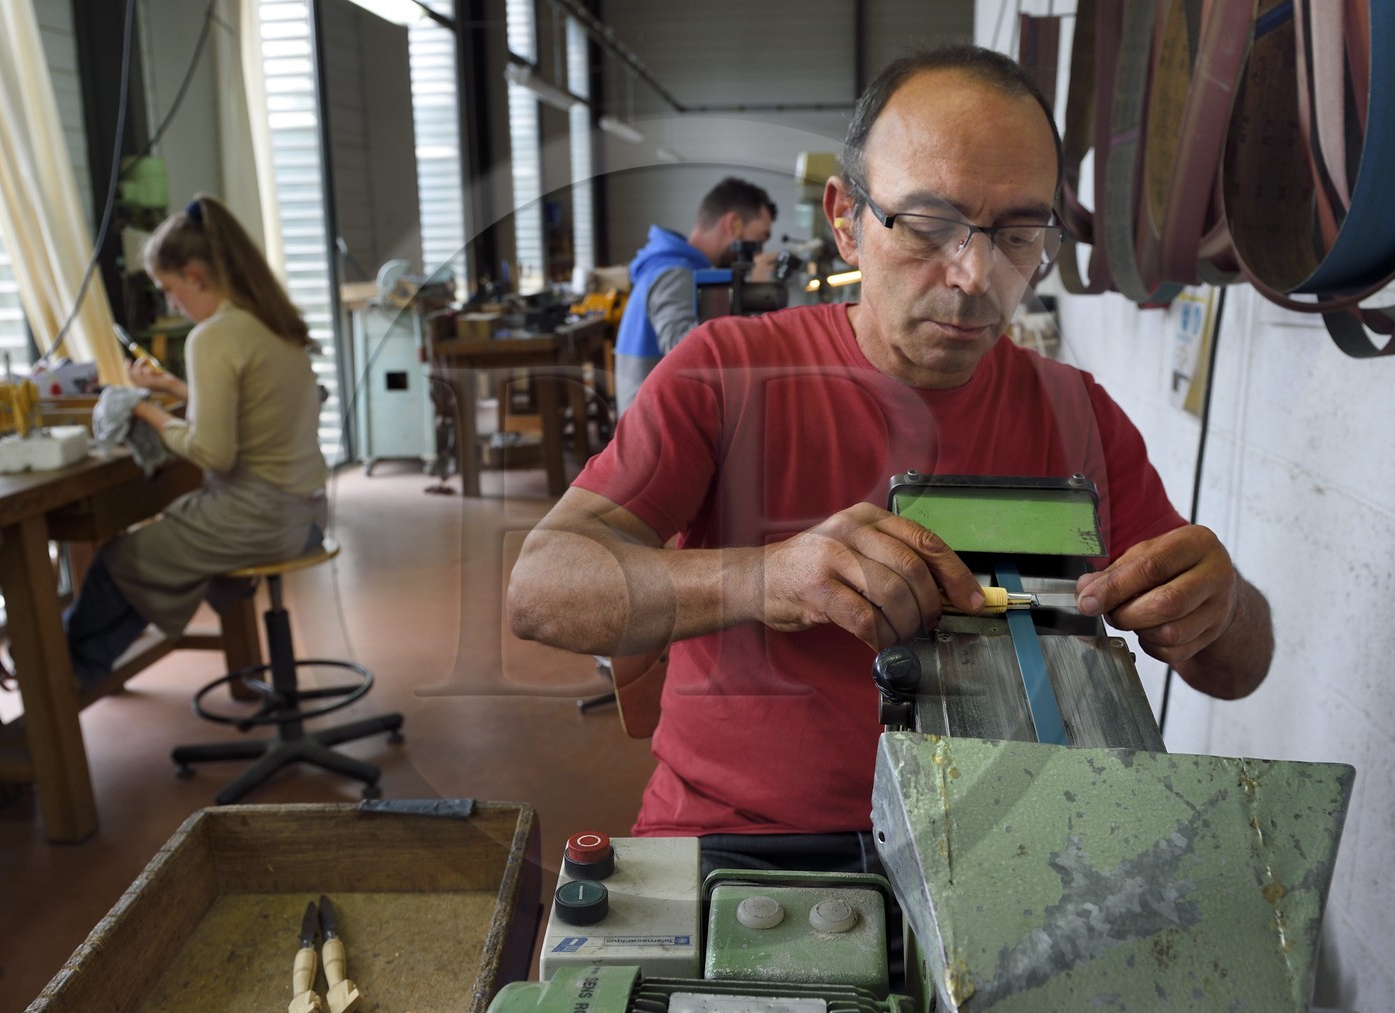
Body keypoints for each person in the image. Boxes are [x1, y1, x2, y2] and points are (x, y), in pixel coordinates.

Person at [507, 45, 1274, 874]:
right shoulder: (726, 375)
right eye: (929, 225)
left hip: (1002, 853)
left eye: (1018, 233)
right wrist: (767, 578)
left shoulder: (1078, 416)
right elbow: (543, 588)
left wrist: (1219, 611)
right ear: (847, 222)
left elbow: (1238, 673)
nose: (976, 275)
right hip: (746, 847)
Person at [63, 195, 328, 687]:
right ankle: (85, 670)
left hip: (259, 519)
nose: (171, 303)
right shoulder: (274, 321)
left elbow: (213, 452)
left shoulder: (213, 336)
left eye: (169, 289)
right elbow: (258, 409)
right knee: (155, 555)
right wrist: (177, 390)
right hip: (306, 513)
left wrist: (139, 406)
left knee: (116, 562)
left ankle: (61, 683)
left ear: (195, 275)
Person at [614, 177, 777, 410]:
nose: (758, 252)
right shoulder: (674, 273)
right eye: (759, 238)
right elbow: (681, 348)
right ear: (733, 224)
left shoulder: (689, 269)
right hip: (655, 431)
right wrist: (751, 285)